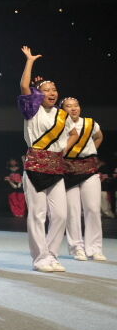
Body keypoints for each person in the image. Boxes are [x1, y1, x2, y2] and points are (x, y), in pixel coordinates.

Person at [18, 46, 72, 272]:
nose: (52, 93)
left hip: (56, 168)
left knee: (60, 215)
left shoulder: (63, 116)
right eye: (47, 90)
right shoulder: (33, 110)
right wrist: (30, 61)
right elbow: (24, 86)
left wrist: (63, 152)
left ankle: (51, 255)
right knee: (37, 215)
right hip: (34, 168)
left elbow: (70, 137)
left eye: (54, 89)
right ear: (39, 95)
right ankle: (40, 258)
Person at [61, 96, 106, 261]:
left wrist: (90, 151)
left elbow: (99, 137)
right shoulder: (59, 125)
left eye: (76, 105)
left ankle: (94, 248)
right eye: (69, 106)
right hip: (68, 170)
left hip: (89, 168)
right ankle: (76, 248)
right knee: (72, 211)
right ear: (62, 110)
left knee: (93, 209)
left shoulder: (90, 123)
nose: (73, 108)